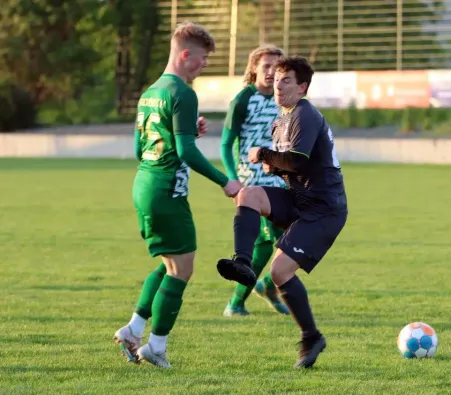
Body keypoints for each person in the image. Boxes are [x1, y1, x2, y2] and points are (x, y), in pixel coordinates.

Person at [113, 22, 242, 369]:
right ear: (186, 55)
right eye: (201, 61)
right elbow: (184, 152)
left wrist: (185, 136)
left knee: (171, 263)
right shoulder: (183, 93)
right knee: (181, 269)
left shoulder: (151, 91)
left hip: (146, 185)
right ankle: (155, 347)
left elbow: (142, 148)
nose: (202, 68)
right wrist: (224, 180)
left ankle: (134, 329)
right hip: (167, 191)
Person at [216, 56, 348, 369]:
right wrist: (273, 165)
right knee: (248, 195)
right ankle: (243, 264)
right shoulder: (280, 121)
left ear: (302, 87)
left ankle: (311, 336)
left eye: (286, 79)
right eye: (276, 78)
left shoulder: (304, 113)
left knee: (279, 272)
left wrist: (263, 154)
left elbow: (300, 162)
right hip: (299, 198)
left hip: (323, 209)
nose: (278, 84)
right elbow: (294, 167)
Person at [220, 45, 291, 317]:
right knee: (263, 241)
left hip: (280, 179)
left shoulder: (283, 99)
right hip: (253, 181)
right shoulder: (243, 100)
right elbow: (226, 144)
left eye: (277, 67)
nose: (272, 72)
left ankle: (268, 286)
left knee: (295, 236)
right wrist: (234, 179)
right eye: (266, 66)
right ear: (254, 69)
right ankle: (236, 303)